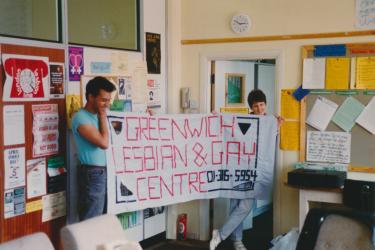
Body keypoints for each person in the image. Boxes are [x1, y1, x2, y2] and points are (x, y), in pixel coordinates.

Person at [210, 89, 284, 250]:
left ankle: (221, 235)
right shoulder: (245, 119)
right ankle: (237, 241)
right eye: (256, 106)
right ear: (251, 107)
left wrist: (277, 125)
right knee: (235, 204)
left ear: (266, 104)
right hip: (238, 168)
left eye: (262, 105)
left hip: (255, 171)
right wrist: (217, 118)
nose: (259, 109)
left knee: (245, 206)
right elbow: (228, 128)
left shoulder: (270, 121)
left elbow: (272, 140)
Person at [72, 76, 116, 221]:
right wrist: (103, 116)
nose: (107, 104)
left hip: (106, 172)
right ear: (91, 97)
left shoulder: (101, 115)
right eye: (103, 100)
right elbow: (104, 143)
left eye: (109, 100)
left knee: (104, 220)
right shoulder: (80, 118)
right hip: (92, 174)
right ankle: (87, 245)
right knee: (92, 221)